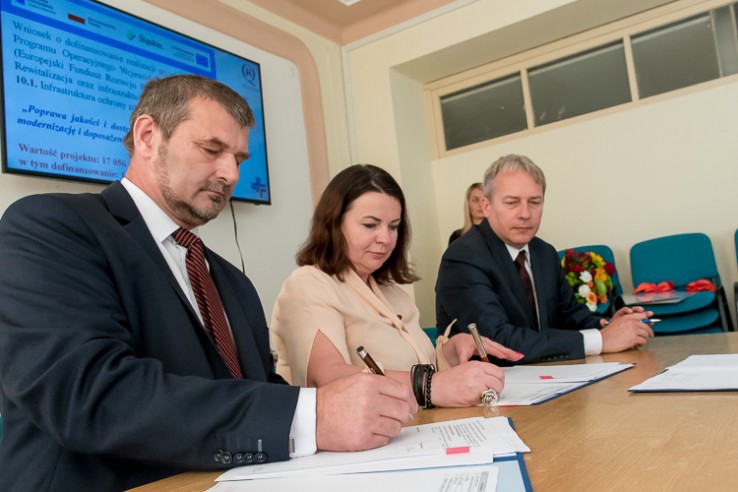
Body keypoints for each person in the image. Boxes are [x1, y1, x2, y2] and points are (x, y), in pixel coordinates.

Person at [0, 75, 416, 492]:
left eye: (239, 159)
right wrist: (313, 415)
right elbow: (88, 395)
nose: (230, 174)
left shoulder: (232, 281)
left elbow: (257, 391)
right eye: (211, 150)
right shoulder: (51, 226)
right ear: (147, 137)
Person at [270, 164, 522, 409]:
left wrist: (450, 353)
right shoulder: (308, 284)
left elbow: (417, 371)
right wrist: (432, 385)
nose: (385, 238)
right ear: (333, 224)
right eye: (370, 225)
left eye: (393, 226)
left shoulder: (392, 293)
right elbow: (328, 378)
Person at [435, 154, 654, 364]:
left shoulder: (544, 252)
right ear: (486, 206)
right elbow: (498, 342)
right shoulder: (462, 257)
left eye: (534, 202)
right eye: (511, 202)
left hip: (549, 376)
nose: (525, 213)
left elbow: (569, 314)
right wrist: (601, 340)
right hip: (489, 383)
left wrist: (609, 325)